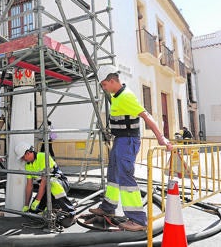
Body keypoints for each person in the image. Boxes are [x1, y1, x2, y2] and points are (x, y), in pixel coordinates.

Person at [88, 66, 173, 232]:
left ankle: (137, 220)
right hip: (120, 140)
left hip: (127, 141)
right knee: (113, 174)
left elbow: (146, 116)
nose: (103, 88)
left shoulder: (126, 96)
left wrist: (161, 138)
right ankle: (108, 207)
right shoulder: (117, 95)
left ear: (112, 81)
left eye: (104, 84)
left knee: (126, 178)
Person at [16, 142, 77, 228]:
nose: (23, 159)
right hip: (46, 189)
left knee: (52, 183)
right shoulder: (28, 165)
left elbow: (44, 182)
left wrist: (37, 200)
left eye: (23, 157)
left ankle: (71, 212)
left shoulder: (43, 157)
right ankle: (55, 207)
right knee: (33, 213)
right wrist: (26, 205)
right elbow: (29, 186)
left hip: (61, 184)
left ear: (28, 153)